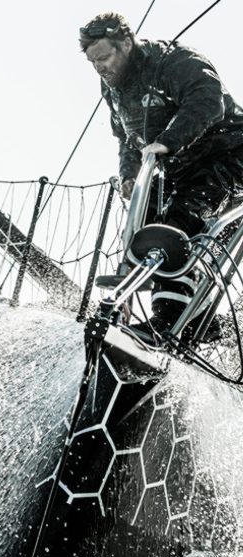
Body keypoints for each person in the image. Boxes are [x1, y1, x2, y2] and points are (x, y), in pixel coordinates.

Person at [79, 12, 243, 340]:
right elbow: (126, 137)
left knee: (173, 229)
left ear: (126, 43)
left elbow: (208, 100)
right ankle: (195, 317)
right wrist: (128, 175)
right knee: (141, 228)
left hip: (227, 156)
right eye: (92, 61)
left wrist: (168, 141)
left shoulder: (173, 61)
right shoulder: (112, 87)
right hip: (178, 168)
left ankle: (169, 322)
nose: (99, 67)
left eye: (104, 57)